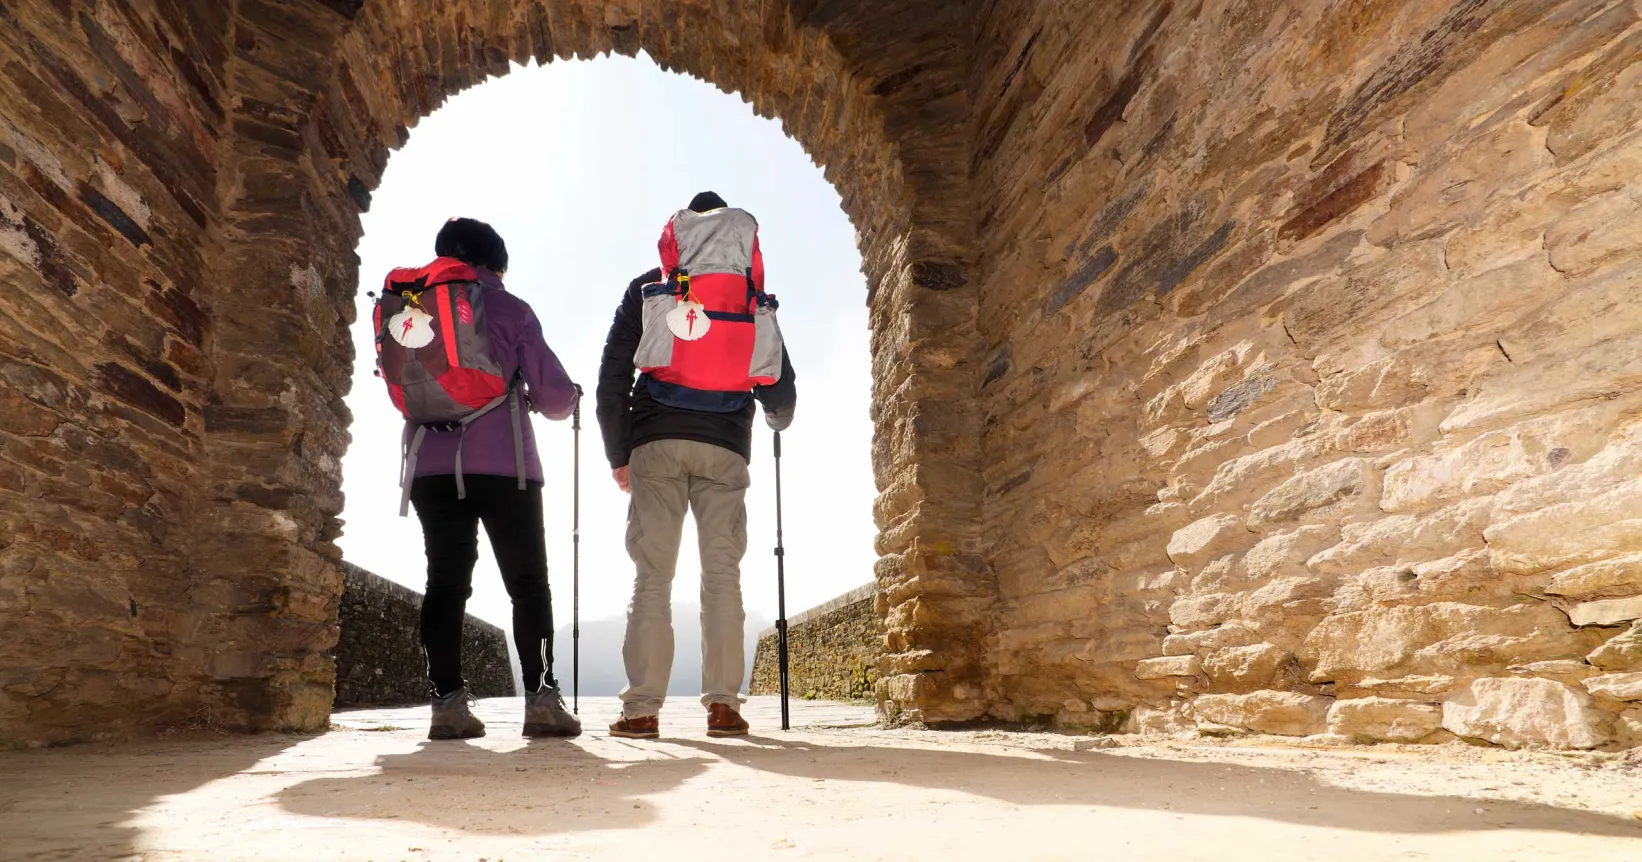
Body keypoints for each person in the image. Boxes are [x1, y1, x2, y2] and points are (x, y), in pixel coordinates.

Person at [596, 192, 797, 739]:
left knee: (652, 577)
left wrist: (620, 453)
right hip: (726, 447)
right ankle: (724, 707)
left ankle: (641, 711)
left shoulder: (651, 287)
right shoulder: (749, 295)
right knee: (722, 577)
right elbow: (779, 383)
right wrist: (777, 420)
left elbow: (612, 376)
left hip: (655, 444)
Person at [376, 217, 583, 740]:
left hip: (429, 466)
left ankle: (446, 705)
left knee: (445, 583)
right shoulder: (509, 308)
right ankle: (540, 702)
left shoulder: (413, 309)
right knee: (527, 583)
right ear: (496, 263)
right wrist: (566, 396)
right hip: (503, 465)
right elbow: (556, 397)